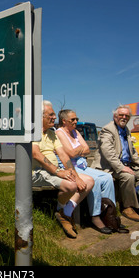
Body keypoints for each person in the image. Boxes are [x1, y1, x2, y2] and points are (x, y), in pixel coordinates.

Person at [32, 101, 94, 238]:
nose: (55, 117)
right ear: (39, 117)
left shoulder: (51, 133)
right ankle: (63, 213)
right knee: (71, 185)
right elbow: (36, 154)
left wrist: (76, 176)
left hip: (52, 171)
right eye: (51, 115)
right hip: (36, 172)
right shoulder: (32, 131)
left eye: (54, 115)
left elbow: (63, 155)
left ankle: (63, 212)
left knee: (88, 181)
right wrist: (58, 171)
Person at [55, 109, 117, 234]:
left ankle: (109, 213)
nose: (76, 121)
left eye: (76, 118)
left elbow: (87, 150)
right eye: (72, 119)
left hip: (82, 165)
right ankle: (95, 217)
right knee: (96, 180)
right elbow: (70, 153)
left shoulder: (76, 132)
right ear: (64, 121)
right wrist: (79, 149)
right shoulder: (60, 133)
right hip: (71, 167)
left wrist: (77, 150)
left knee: (107, 177)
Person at [91, 105, 139, 222]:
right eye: (121, 115)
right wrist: (122, 167)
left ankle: (132, 199)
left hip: (125, 164)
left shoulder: (126, 130)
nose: (124, 117)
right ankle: (127, 207)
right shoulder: (107, 130)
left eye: (127, 116)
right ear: (115, 117)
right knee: (129, 176)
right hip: (109, 166)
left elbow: (132, 150)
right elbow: (108, 153)